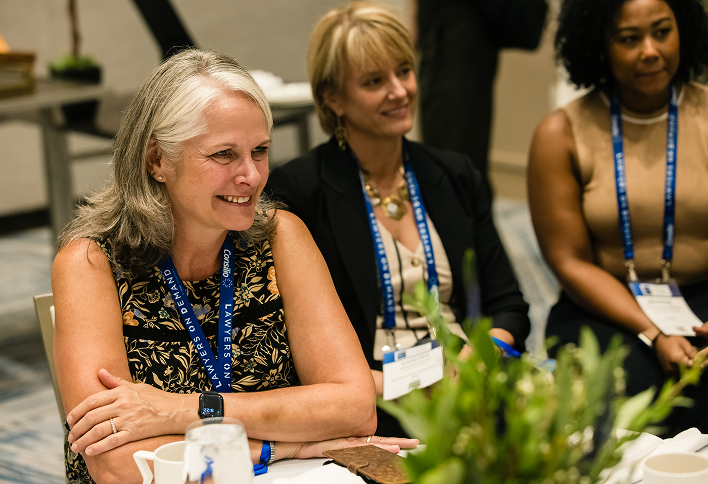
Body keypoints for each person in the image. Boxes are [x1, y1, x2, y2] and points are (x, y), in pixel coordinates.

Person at [52, 49, 417, 484]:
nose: (252, 176)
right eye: (224, 154)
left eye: (259, 151)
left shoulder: (281, 237)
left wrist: (180, 411)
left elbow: (354, 408)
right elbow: (117, 464)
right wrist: (282, 446)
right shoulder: (90, 264)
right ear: (157, 160)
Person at [266, 2, 530, 437]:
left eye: (404, 71)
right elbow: (293, 342)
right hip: (373, 392)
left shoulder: (455, 174)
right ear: (333, 98)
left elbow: (509, 306)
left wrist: (477, 358)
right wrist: (399, 387)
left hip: (469, 377)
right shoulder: (299, 191)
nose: (400, 91)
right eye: (374, 81)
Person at [528, 0, 708, 435]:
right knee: (618, 401)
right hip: (606, 306)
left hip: (702, 299)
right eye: (629, 39)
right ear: (600, 46)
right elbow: (569, 261)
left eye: (662, 32)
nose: (650, 51)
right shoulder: (560, 133)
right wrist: (653, 332)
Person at [416, 0, 548, 205]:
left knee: (457, 153)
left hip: (460, 30)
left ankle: (467, 216)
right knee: (455, 151)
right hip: (452, 28)